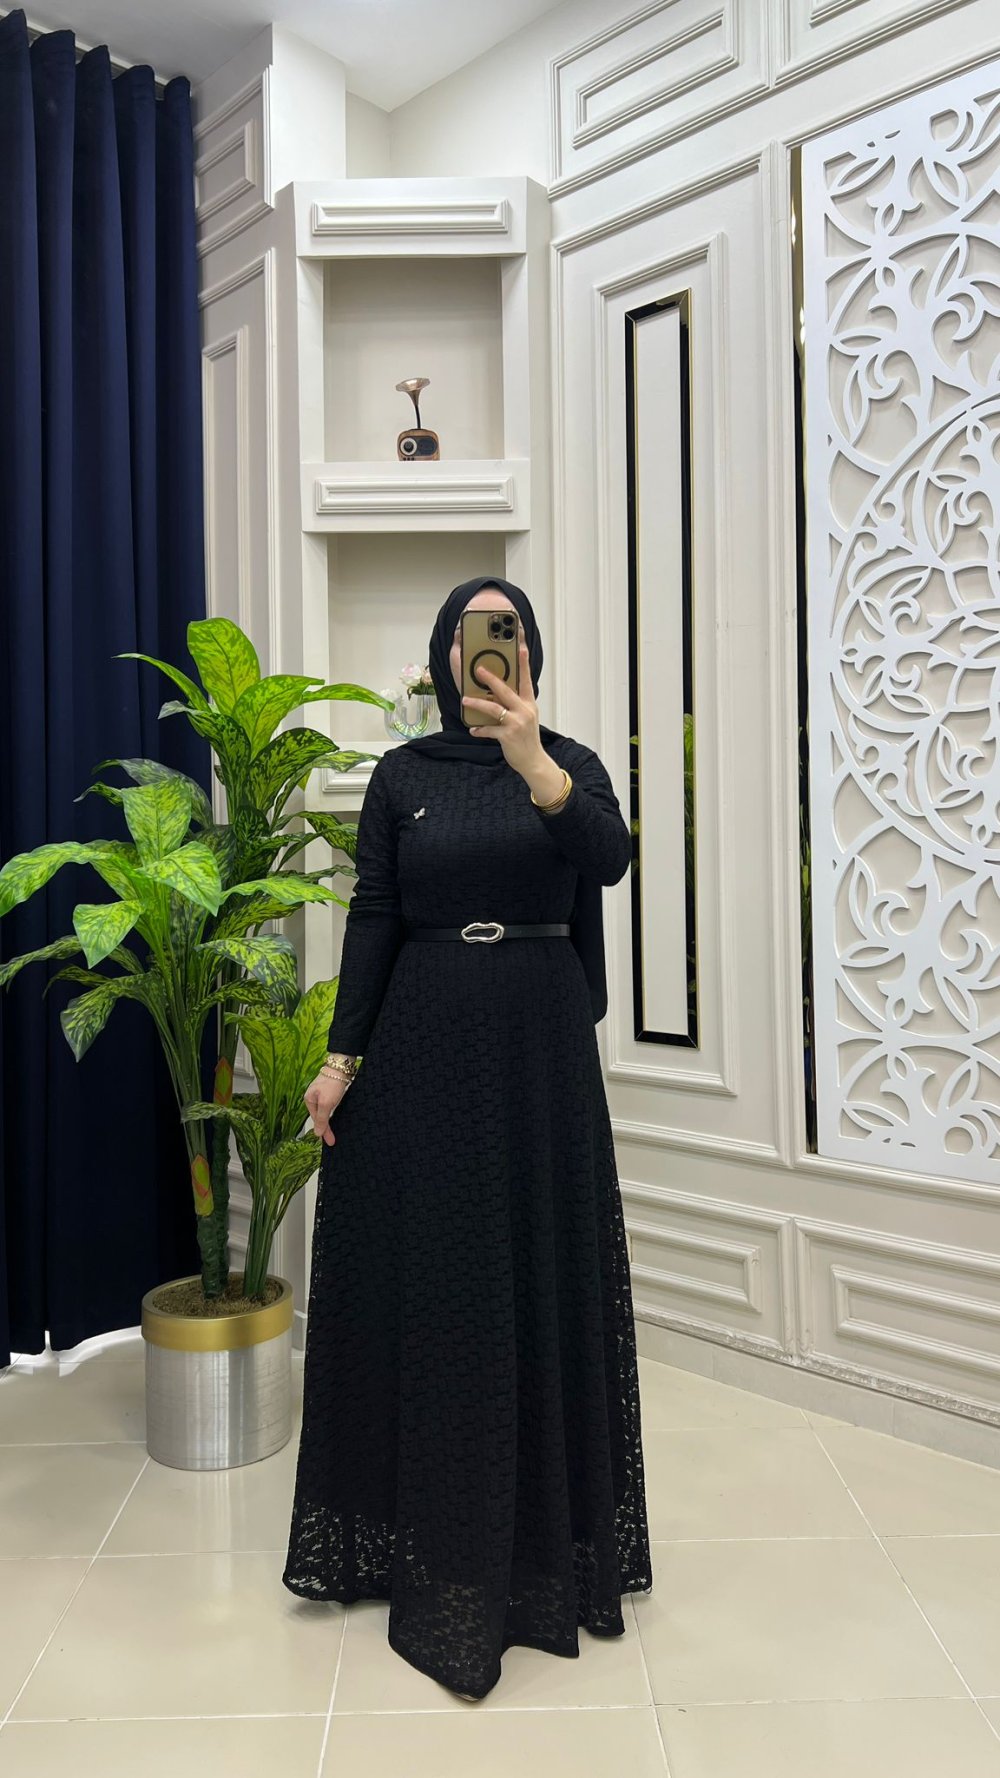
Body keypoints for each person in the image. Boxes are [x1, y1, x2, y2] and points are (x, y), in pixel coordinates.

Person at [282, 574, 652, 1701]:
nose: (488, 647)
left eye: (508, 629)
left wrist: (533, 761)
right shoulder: (401, 776)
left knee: (534, 1270)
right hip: (424, 1042)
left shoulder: (568, 762)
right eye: (471, 632)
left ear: (528, 650)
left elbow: (609, 857)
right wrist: (339, 1061)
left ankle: (543, 1531)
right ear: (445, 653)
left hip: (539, 1046)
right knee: (437, 1280)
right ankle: (415, 1523)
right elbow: (376, 915)